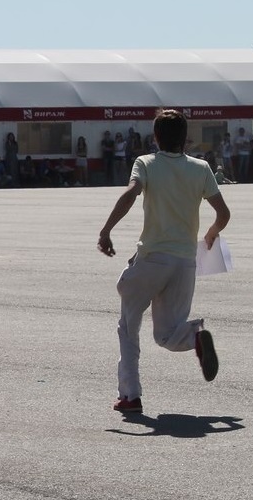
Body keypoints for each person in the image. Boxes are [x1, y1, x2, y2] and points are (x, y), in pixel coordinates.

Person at [97, 109, 230, 414]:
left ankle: (130, 396)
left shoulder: (146, 163)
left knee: (128, 327)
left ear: (155, 137)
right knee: (167, 335)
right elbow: (223, 214)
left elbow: (131, 194)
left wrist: (106, 230)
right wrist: (211, 234)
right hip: (185, 263)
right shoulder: (201, 168)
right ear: (186, 138)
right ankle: (195, 337)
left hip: (152, 259)